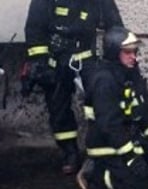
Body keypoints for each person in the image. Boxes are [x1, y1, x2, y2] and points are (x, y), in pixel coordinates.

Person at [22, 0, 124, 174]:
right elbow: (34, 28)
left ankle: (100, 151)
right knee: (58, 107)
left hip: (87, 58)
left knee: (101, 103)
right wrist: (40, 62)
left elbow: (115, 26)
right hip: (56, 60)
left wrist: (117, 58)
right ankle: (69, 152)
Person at [75, 27, 148, 189]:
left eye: (134, 52)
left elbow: (142, 110)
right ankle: (95, 174)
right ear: (114, 53)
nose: (133, 57)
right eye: (128, 52)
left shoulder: (130, 73)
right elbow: (110, 127)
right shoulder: (104, 80)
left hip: (129, 137)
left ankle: (126, 168)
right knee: (139, 187)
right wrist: (131, 157)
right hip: (106, 145)